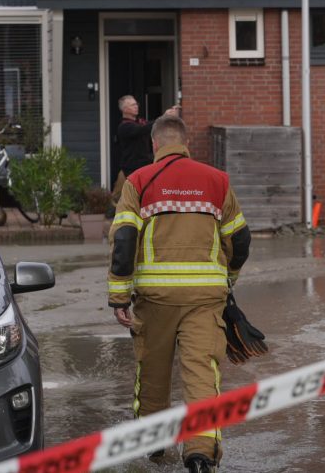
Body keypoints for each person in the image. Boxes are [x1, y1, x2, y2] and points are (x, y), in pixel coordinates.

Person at [108, 115, 251, 473]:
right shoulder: (217, 181)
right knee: (202, 373)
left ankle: (154, 447)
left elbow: (124, 240)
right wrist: (228, 279)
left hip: (155, 300)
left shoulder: (138, 181)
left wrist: (119, 296)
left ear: (154, 144)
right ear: (186, 144)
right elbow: (240, 240)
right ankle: (201, 453)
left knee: (152, 373)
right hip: (205, 299)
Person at [112, 95, 180, 200]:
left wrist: (170, 116)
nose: (136, 106)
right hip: (130, 169)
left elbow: (151, 127)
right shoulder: (124, 126)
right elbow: (142, 129)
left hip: (144, 164)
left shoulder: (140, 121)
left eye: (136, 104)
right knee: (124, 198)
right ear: (125, 109)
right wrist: (163, 117)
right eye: (132, 105)